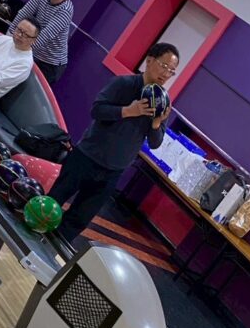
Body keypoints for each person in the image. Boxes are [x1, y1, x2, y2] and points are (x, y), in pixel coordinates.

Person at [49, 41, 179, 242]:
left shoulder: (162, 102)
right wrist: (128, 111)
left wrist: (156, 123)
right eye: (164, 66)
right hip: (86, 157)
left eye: (171, 71)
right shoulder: (123, 84)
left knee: (79, 219)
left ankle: (53, 249)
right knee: (54, 201)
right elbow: (97, 110)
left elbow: (155, 143)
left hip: (113, 171)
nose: (166, 74)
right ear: (149, 60)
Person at [8, 0, 74, 86]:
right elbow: (24, 14)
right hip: (32, 52)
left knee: (27, 88)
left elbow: (45, 36)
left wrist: (17, 50)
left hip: (51, 63)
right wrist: (9, 36)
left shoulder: (66, 10)